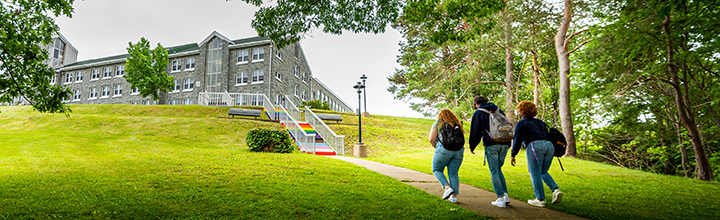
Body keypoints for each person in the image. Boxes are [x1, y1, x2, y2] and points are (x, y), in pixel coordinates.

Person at [510, 101, 563, 207]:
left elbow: (517, 139)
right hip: (549, 146)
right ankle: (556, 190)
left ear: (521, 111)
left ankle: (540, 199)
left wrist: (513, 154)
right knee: (543, 171)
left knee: (534, 173)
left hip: (535, 146)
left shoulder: (521, 123)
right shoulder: (540, 122)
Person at [469, 96, 511, 208]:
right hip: (505, 143)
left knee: (494, 171)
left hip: (492, 144)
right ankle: (505, 196)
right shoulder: (498, 110)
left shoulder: (479, 113)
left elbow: (475, 131)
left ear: (476, 103)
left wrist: (472, 146)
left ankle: (500, 198)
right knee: (498, 170)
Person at [428, 109, 465, 203]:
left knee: (436, 169)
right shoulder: (457, 124)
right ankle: (453, 197)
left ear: (440, 116)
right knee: (453, 173)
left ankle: (447, 187)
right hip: (458, 151)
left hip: (443, 149)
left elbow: (431, 139)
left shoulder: (438, 123)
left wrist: (435, 146)